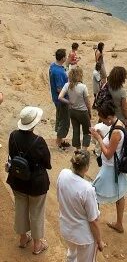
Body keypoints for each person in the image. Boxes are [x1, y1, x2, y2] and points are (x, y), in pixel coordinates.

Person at [8, 106, 51, 255]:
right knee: (36, 211)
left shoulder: (13, 136)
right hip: (36, 184)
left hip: (17, 180)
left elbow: (12, 155)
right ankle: (37, 244)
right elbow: (47, 163)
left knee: (20, 208)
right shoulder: (39, 141)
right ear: (34, 123)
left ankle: (22, 238)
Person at [57, 149, 104, 262]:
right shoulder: (87, 189)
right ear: (87, 167)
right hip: (83, 236)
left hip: (66, 229)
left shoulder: (63, 174)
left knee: (71, 255)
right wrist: (99, 241)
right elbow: (93, 220)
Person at [89, 99, 127, 234]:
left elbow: (109, 153)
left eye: (103, 120)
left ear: (110, 118)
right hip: (117, 168)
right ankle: (119, 223)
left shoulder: (116, 132)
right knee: (120, 193)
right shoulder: (119, 124)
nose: (102, 122)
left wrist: (98, 138)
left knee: (93, 193)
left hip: (110, 168)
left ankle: (93, 225)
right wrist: (101, 136)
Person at [58, 65, 92, 151]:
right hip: (83, 111)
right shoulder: (83, 87)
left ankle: (77, 149)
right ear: (80, 75)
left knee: (75, 130)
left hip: (72, 111)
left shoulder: (67, 85)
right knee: (87, 131)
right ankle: (84, 150)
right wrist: (90, 112)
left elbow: (60, 97)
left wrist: (69, 102)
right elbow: (87, 102)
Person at [49, 48, 70, 149]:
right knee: (64, 120)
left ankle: (60, 140)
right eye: (65, 56)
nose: (66, 58)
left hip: (56, 99)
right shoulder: (59, 73)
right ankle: (58, 142)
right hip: (62, 100)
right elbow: (59, 89)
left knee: (60, 117)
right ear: (62, 58)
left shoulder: (53, 66)